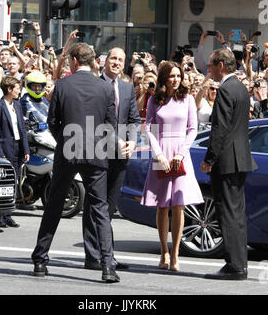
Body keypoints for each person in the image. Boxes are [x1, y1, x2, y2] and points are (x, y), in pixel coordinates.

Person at [31, 43, 120, 283]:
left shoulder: (62, 85)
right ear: (91, 61)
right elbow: (111, 124)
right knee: (100, 209)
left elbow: (52, 121)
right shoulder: (104, 87)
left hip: (68, 149)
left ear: (73, 61)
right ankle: (107, 267)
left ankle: (40, 259)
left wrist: (65, 139)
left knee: (54, 205)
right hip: (95, 150)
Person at [200, 49, 258, 281]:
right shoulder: (241, 87)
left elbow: (220, 128)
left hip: (226, 160)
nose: (209, 68)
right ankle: (239, 263)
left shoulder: (225, 89)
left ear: (222, 65)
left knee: (228, 213)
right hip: (240, 158)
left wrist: (209, 159)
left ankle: (234, 266)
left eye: (212, 64)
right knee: (236, 214)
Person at [82, 47, 141, 272]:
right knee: (94, 204)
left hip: (120, 155)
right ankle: (93, 256)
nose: (116, 62)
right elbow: (95, 120)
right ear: (104, 61)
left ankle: (108, 255)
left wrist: (133, 142)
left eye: (120, 60)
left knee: (109, 206)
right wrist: (117, 139)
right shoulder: (95, 85)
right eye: (113, 58)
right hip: (97, 152)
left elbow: (134, 119)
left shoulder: (127, 88)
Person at [141, 61, 203, 272]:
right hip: (161, 152)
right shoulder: (154, 99)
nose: (176, 79)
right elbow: (149, 128)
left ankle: (175, 254)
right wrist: (158, 154)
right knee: (162, 205)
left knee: (178, 205)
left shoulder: (187, 99)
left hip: (180, 154)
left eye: (179, 75)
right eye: (172, 76)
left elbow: (193, 129)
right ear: (164, 78)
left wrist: (181, 153)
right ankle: (163, 252)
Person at [0, 76, 30, 228]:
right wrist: (0, 154)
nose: (19, 91)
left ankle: (8, 215)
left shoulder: (18, 105)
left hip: (18, 147)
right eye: (17, 88)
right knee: (2, 183)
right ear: (9, 89)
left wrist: (26, 149)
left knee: (14, 182)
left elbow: (22, 129)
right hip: (5, 148)